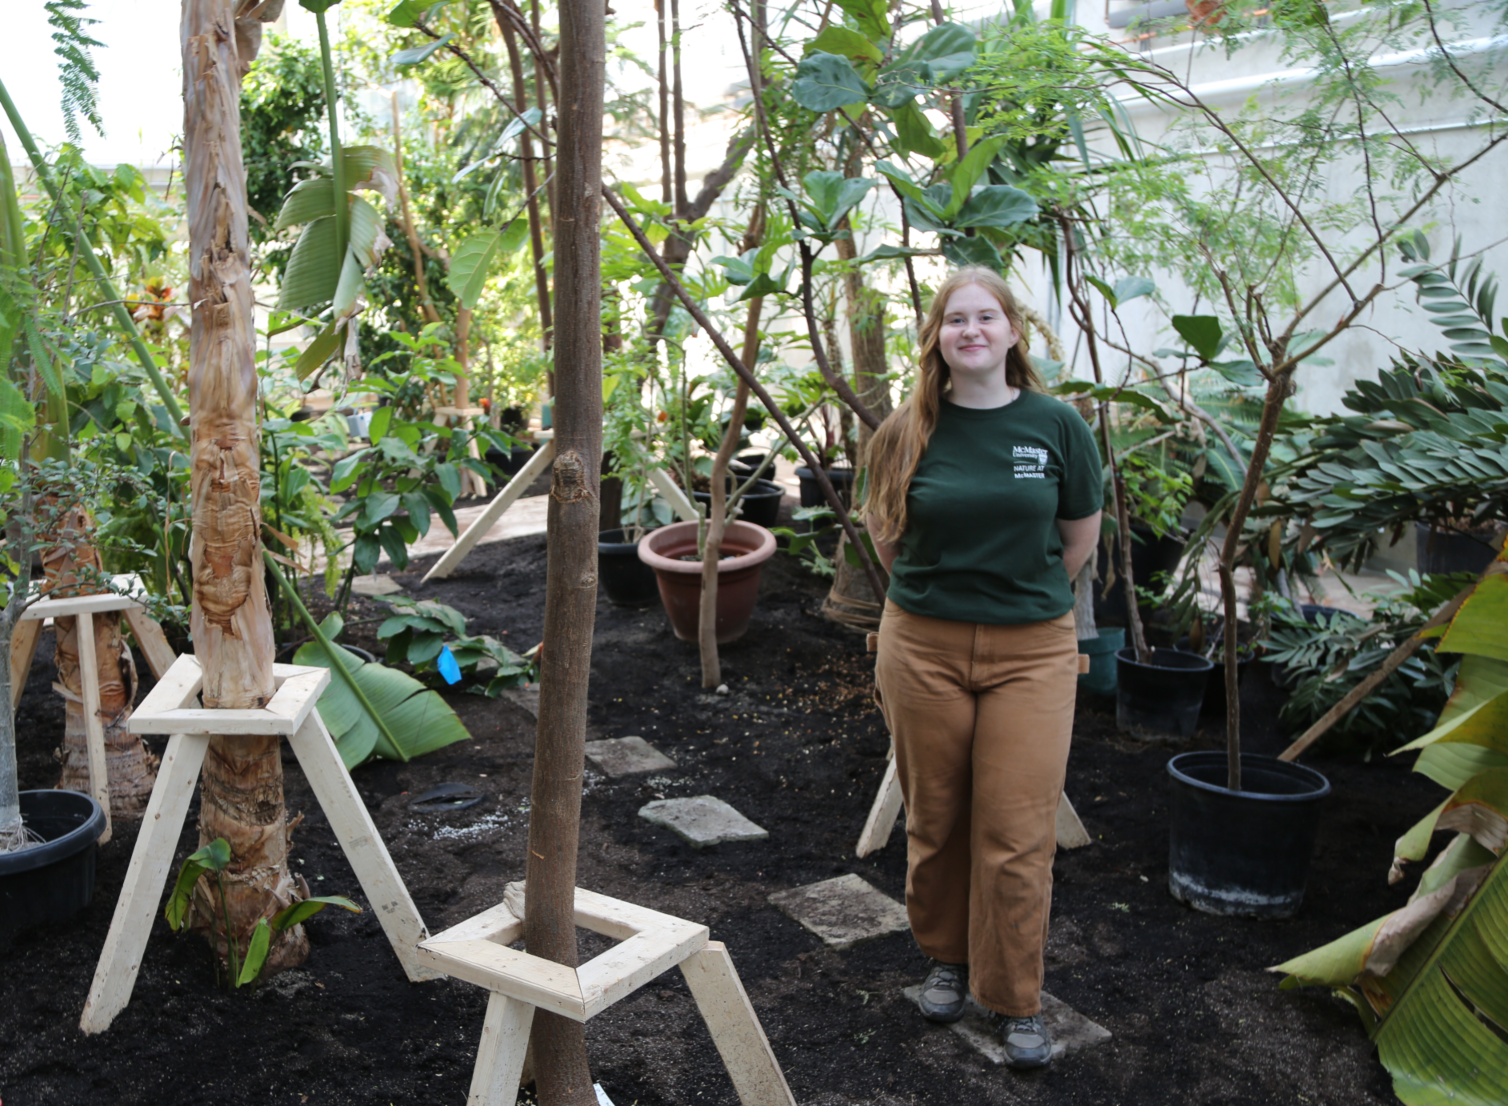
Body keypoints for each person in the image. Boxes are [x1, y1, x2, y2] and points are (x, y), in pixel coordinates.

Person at [866, 267, 1102, 1070]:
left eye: (986, 317)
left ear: (1010, 332)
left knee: (1016, 829)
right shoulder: (905, 430)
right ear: (937, 337)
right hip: (923, 644)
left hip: (1031, 649)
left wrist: (1018, 600)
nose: (971, 330)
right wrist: (938, 605)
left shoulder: (1058, 426)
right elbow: (887, 539)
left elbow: (1078, 538)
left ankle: (1014, 998)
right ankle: (946, 958)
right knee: (936, 815)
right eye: (955, 319)